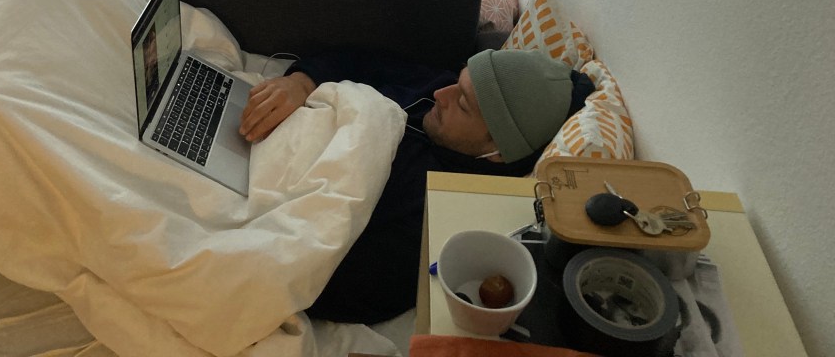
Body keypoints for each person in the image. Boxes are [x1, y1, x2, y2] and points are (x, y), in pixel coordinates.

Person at [239, 47, 595, 324]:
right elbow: (358, 59)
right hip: (256, 124)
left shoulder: (437, 209)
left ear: (496, 153)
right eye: (459, 79)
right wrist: (300, 82)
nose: (441, 93)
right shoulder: (438, 93)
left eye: (463, 104)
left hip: (252, 199)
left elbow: (335, 288)